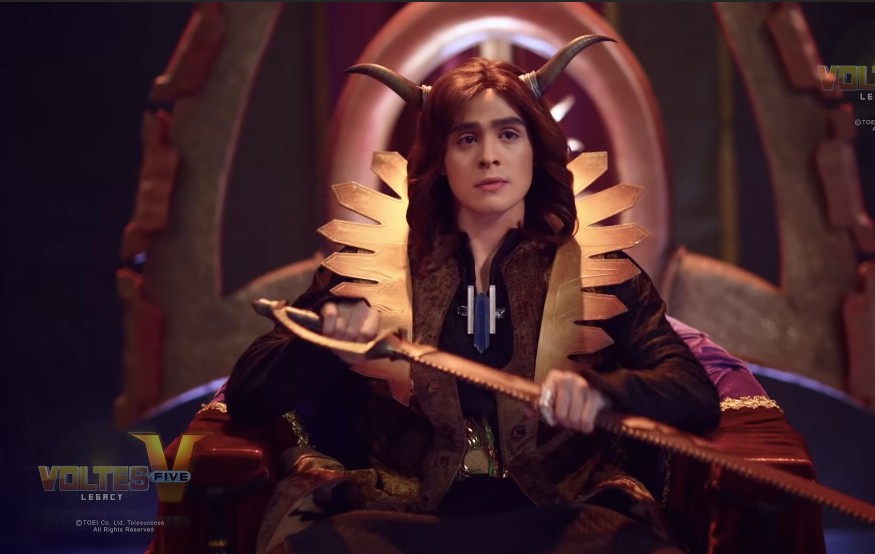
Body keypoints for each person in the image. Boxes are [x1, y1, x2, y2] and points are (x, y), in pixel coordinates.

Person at [224, 35, 720, 554]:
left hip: (560, 516)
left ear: (535, 149)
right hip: (401, 518)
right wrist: (325, 344)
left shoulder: (600, 266)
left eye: (508, 134)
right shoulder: (364, 269)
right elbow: (248, 393)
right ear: (440, 158)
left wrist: (602, 392)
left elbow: (694, 393)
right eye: (466, 139)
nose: (489, 157)